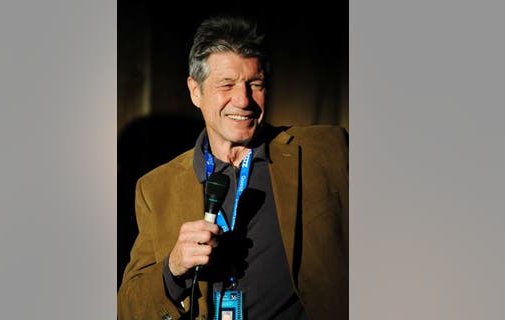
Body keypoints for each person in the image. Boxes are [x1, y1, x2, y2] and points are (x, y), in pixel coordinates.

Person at [118, 15, 348, 320]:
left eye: (255, 84)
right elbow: (127, 308)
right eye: (226, 84)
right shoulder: (155, 188)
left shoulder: (326, 150)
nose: (244, 100)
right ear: (195, 91)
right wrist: (172, 268)